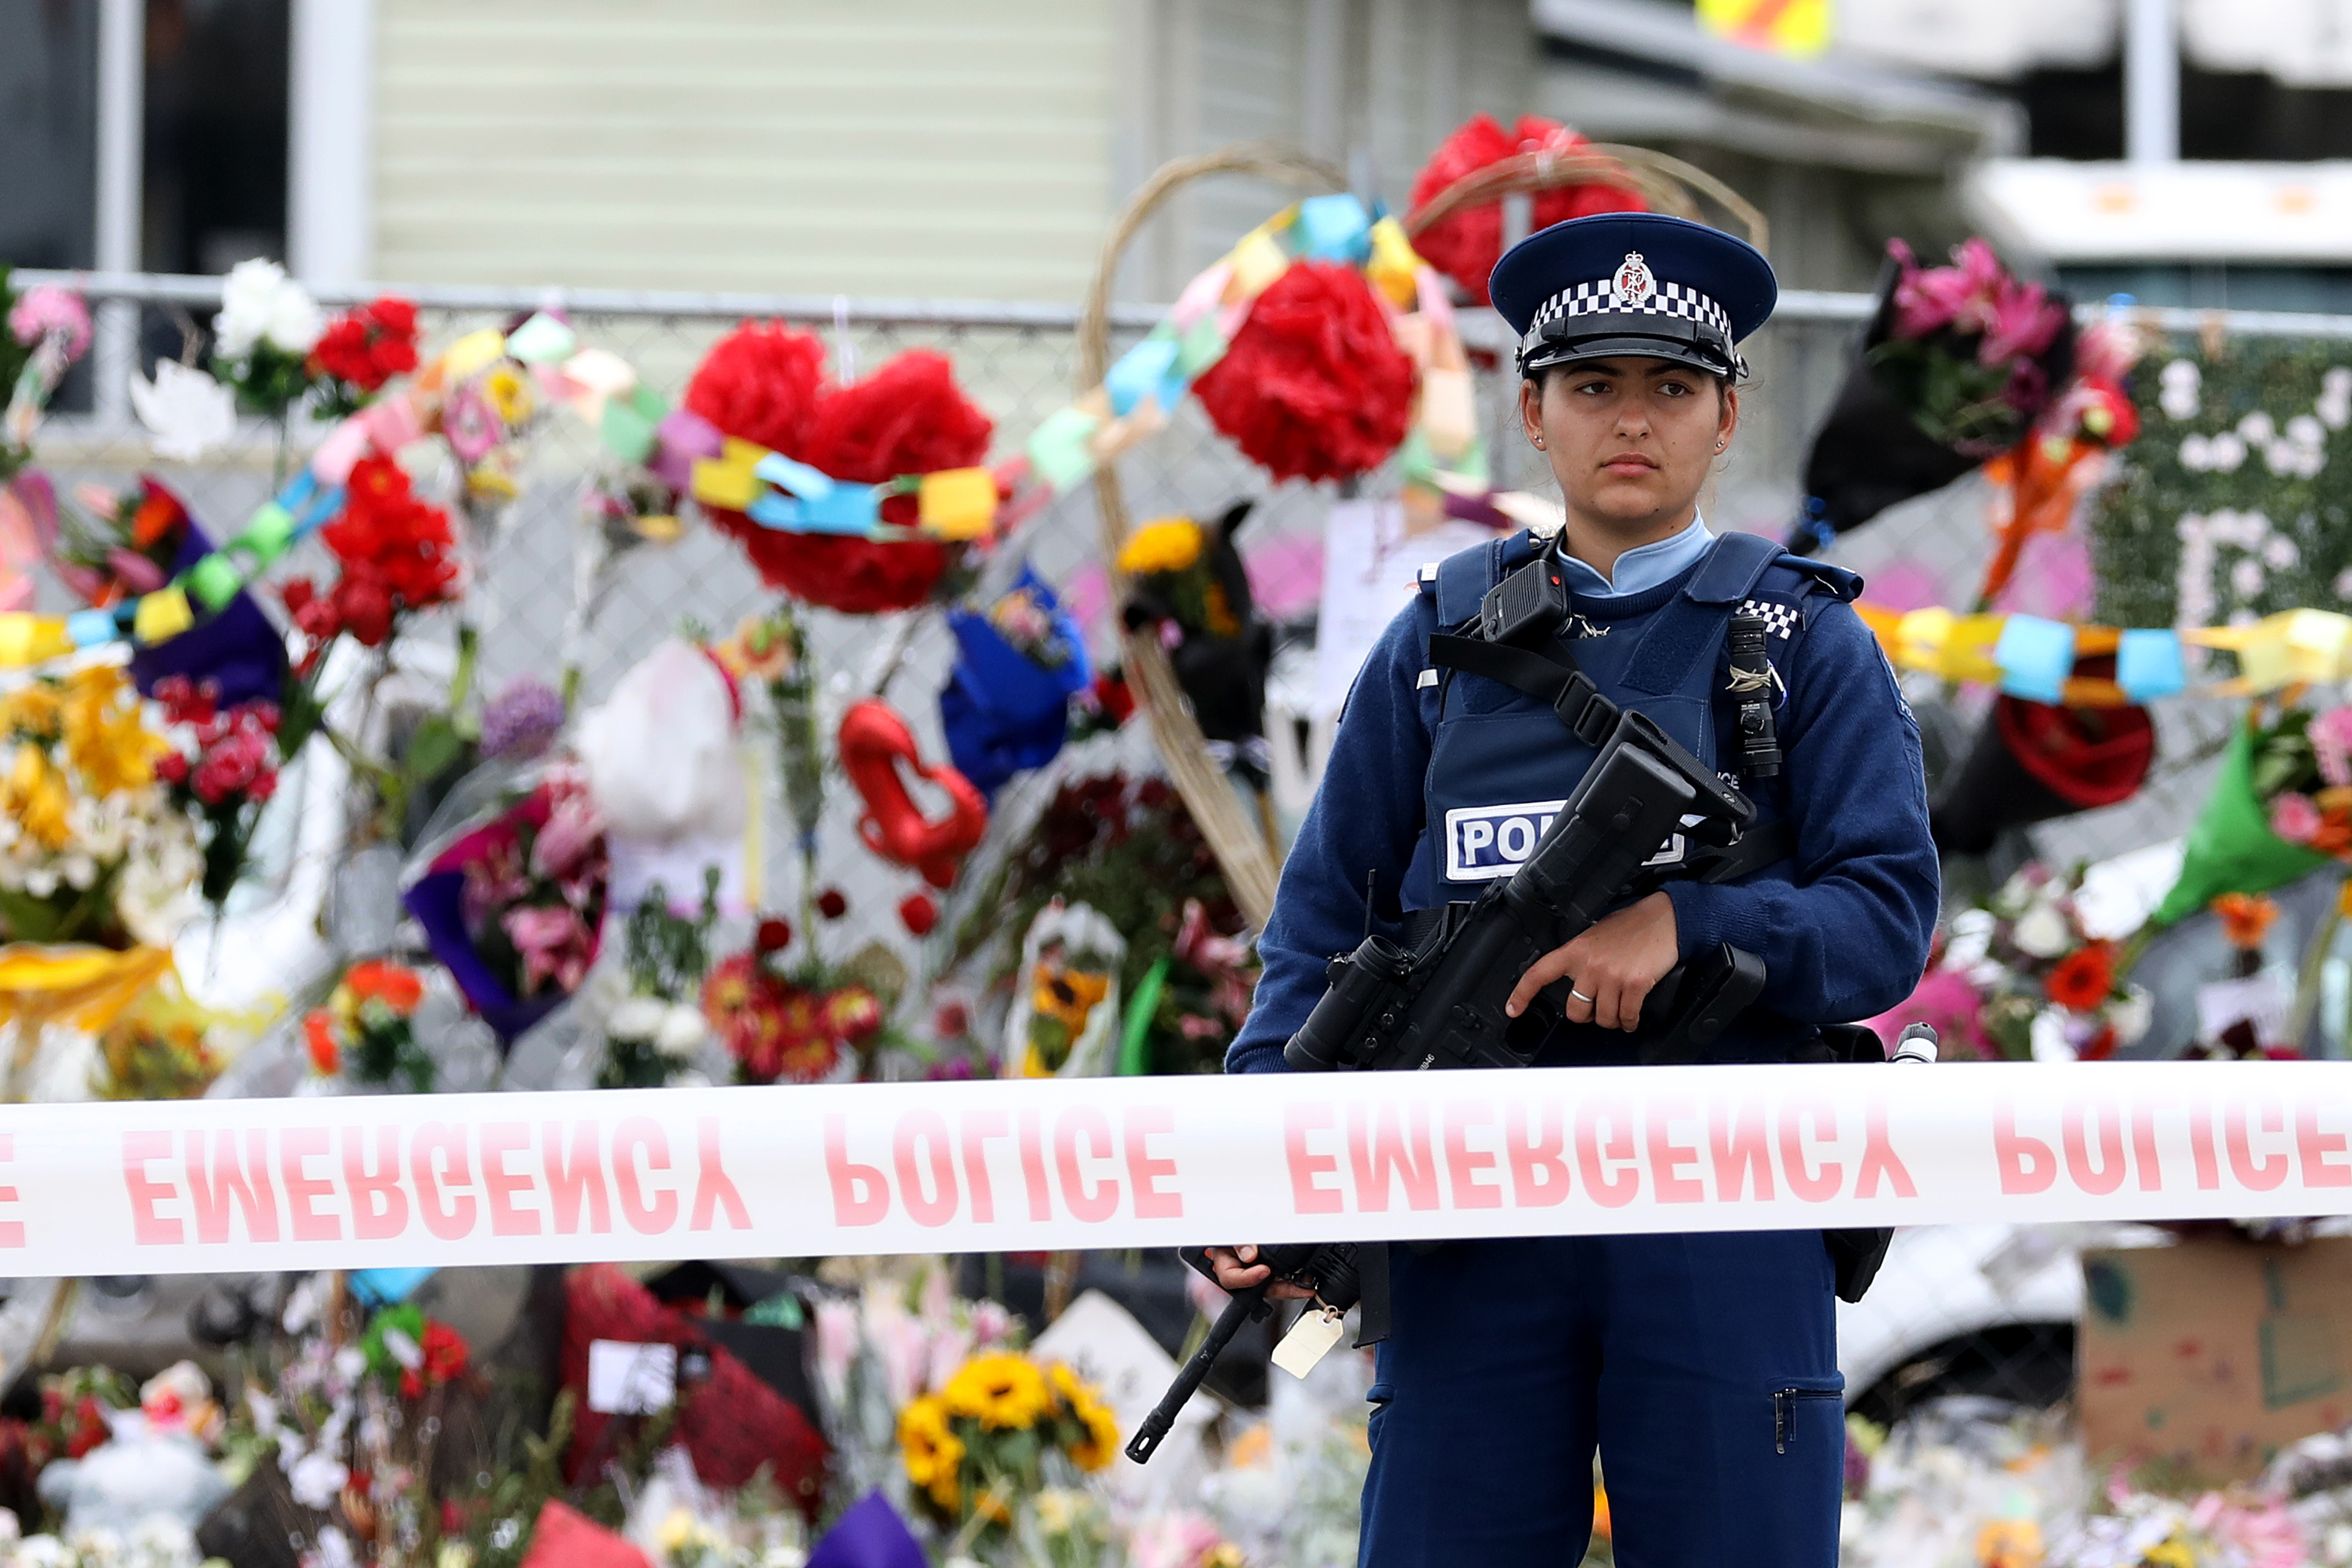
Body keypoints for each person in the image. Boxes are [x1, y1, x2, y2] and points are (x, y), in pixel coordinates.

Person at [1206, 212, 1940, 1567]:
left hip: (1725, 1196)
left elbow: (1887, 915)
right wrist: (1265, 1154)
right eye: (1594, 386)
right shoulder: (1435, 644)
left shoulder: (1803, 644)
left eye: (1672, 389)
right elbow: (1320, 931)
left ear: (1729, 417)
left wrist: (1692, 926)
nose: (1632, 422)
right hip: (1471, 1202)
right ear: (1531, 413)